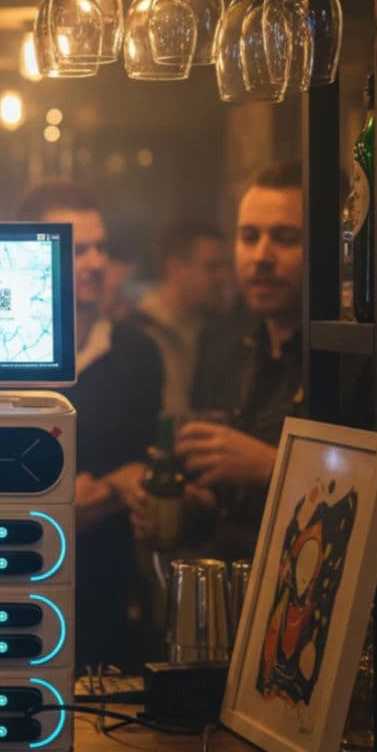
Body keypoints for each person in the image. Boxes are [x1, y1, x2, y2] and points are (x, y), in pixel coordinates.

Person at [126, 161, 305, 562]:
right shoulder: (225, 344)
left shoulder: (354, 356)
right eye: (249, 237)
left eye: (286, 238)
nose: (261, 256)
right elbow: (218, 504)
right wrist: (183, 506)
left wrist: (271, 467)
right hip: (225, 599)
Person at [21, 181, 164, 671]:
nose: (96, 262)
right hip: (14, 587)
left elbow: (142, 466)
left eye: (100, 247)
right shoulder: (5, 360)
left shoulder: (137, 355)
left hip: (108, 597)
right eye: (77, 249)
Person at [130, 219, 231, 419]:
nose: (223, 277)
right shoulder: (134, 333)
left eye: (225, 267)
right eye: (212, 267)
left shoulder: (217, 332)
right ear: (175, 269)